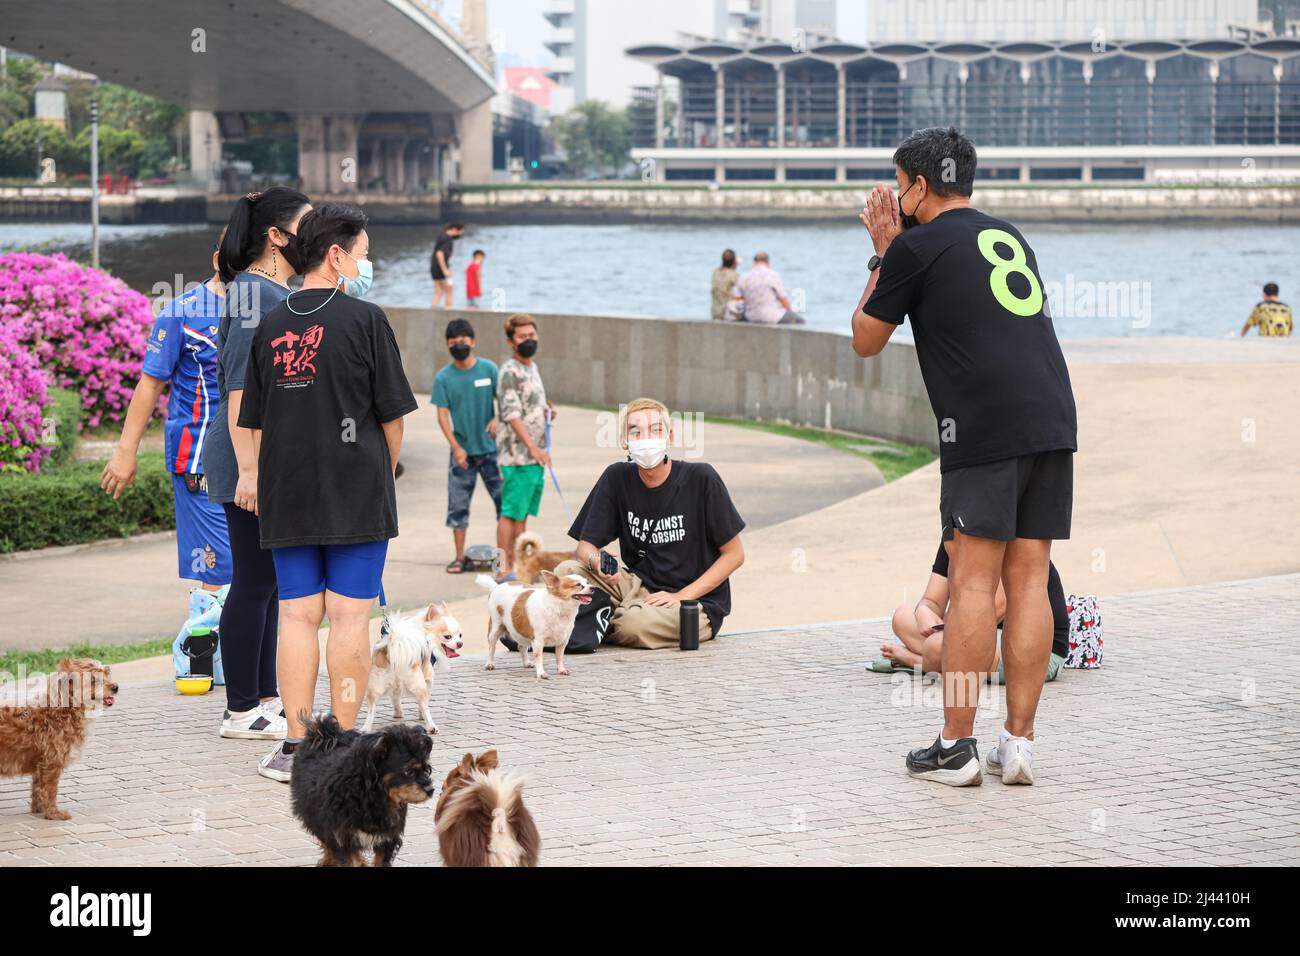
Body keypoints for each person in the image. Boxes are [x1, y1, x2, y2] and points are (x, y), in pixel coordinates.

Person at [853, 126, 1077, 788]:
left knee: (975, 581)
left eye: (900, 186)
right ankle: (1020, 745)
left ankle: (955, 748)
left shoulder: (913, 245)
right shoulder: (1008, 236)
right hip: (1052, 414)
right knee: (1030, 579)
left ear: (919, 186)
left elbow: (865, 340)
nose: (896, 198)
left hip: (982, 424)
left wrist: (882, 253)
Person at [237, 202, 418, 783]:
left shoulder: (269, 324)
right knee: (347, 617)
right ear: (337, 256)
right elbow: (393, 418)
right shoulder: (365, 320)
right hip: (355, 490)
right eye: (363, 254)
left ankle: (296, 746)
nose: (366, 265)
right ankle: (339, 747)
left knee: (296, 615)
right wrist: (383, 472)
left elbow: (256, 420)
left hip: (287, 490)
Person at [203, 186, 311, 743]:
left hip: (261, 455)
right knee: (252, 580)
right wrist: (250, 470)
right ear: (277, 235)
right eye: (305, 225)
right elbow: (241, 386)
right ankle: (240, 708)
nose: (313, 237)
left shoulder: (272, 291)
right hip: (245, 456)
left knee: (267, 581)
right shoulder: (252, 293)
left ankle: (264, 698)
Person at [556, 397, 745, 649]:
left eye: (655, 430)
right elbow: (584, 548)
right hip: (636, 589)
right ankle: (609, 617)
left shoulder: (701, 478)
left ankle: (597, 620)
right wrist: (598, 562)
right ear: (624, 441)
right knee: (566, 573)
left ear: (669, 437)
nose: (647, 439)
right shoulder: (616, 477)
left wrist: (681, 596)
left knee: (634, 624)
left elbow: (735, 555)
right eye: (636, 431)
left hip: (693, 603)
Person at [101, 235, 232, 593]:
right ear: (219, 260)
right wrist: (126, 452)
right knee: (221, 572)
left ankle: (243, 648)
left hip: (254, 460)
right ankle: (204, 648)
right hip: (199, 461)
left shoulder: (266, 309)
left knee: (257, 573)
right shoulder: (180, 312)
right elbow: (150, 384)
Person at [880, 542, 1069, 685]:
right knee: (902, 616)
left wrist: (948, 633)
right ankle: (945, 663)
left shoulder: (1008, 541)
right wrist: (924, 612)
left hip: (1033, 648)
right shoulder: (953, 539)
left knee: (938, 645)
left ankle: (917, 661)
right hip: (981, 633)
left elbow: (992, 613)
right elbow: (931, 601)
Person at [432, 317, 503, 573]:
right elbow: (441, 415)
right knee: (458, 507)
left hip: (492, 451)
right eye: (453, 343)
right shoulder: (444, 378)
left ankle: (503, 557)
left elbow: (504, 401)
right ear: (448, 345)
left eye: (463, 341)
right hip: (462, 454)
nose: (459, 346)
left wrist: (497, 418)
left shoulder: (489, 370)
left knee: (504, 505)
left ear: (473, 342)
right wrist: (455, 447)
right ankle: (460, 557)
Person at [495, 312, 553, 579]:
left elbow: (531, 406)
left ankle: (519, 563)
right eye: (522, 336)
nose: (528, 340)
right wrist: (533, 447)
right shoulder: (509, 371)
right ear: (511, 341)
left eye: (531, 335)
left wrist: (547, 411)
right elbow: (511, 414)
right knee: (509, 513)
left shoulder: (533, 367)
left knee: (522, 514)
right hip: (517, 456)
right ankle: (502, 566)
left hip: (534, 457)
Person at [734, 252, 804, 325]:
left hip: (750, 316)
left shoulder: (744, 277)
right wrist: (791, 312)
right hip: (772, 316)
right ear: (767, 263)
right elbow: (783, 298)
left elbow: (738, 299)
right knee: (800, 321)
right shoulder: (773, 275)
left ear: (754, 263)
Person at [430, 222, 465, 309]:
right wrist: (445, 270)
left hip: (434, 267)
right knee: (449, 290)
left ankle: (433, 310)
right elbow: (439, 253)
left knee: (438, 292)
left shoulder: (441, 236)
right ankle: (449, 311)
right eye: (460, 232)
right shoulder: (448, 238)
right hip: (441, 269)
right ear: (455, 230)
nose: (460, 235)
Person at [710, 248, 739, 321]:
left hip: (715, 313)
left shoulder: (715, 273)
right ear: (734, 261)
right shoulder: (735, 275)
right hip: (727, 314)